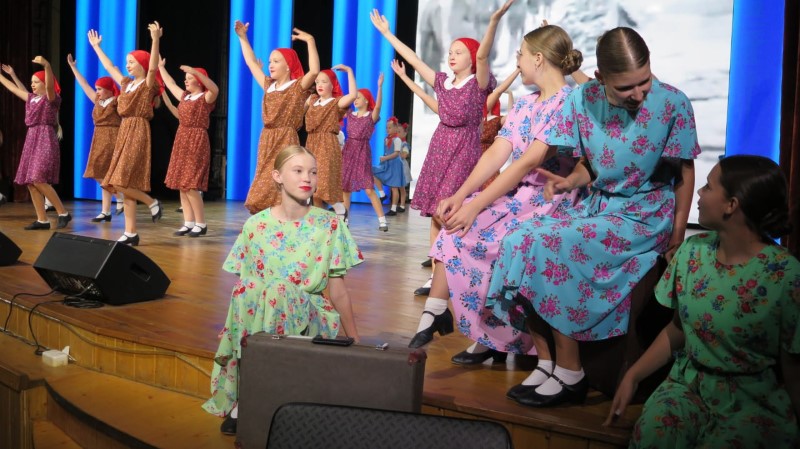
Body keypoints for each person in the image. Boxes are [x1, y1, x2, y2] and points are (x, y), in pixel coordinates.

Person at [485, 26, 700, 407]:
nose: (639, 94)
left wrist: (678, 233)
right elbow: (591, 165)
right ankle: (547, 362)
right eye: (626, 87)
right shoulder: (582, 99)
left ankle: (571, 373)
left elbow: (683, 172)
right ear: (600, 78)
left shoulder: (672, 103)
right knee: (518, 239)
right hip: (597, 207)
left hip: (643, 215)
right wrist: (571, 180)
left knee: (552, 243)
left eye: (644, 81)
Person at [406, 25, 584, 361]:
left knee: (497, 237)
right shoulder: (525, 104)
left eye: (520, 54)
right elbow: (497, 154)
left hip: (551, 201)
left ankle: (498, 339)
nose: (517, 61)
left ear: (538, 58)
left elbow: (528, 161)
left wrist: (476, 207)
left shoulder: (569, 102)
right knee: (455, 223)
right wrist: (461, 195)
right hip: (520, 197)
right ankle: (436, 310)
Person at [605, 155, 800, 448]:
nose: (698, 192)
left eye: (708, 187)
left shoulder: (785, 274)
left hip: (751, 399)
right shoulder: (692, 252)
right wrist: (633, 376)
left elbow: (793, 365)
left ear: (731, 204)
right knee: (654, 433)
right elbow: (678, 329)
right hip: (688, 385)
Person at [202, 144, 363, 435]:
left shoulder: (329, 224)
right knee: (251, 288)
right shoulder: (255, 225)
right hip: (263, 315)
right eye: (298, 171)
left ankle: (266, 397)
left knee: (278, 291)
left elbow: (338, 289)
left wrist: (354, 339)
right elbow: (246, 289)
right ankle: (247, 394)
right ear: (277, 176)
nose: (307, 178)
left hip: (311, 314)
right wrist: (233, 324)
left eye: (313, 172)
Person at [372, 1, 511, 296]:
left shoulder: (478, 83)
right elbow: (414, 58)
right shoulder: (443, 82)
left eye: (458, 51)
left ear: (471, 58)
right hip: (439, 148)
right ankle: (437, 277)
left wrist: (494, 21)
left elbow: (484, 55)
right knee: (435, 211)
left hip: (464, 150)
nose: (451, 55)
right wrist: (387, 34)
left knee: (446, 211)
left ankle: (462, 271)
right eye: (450, 52)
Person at [88, 23, 165, 246]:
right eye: (127, 62)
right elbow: (110, 66)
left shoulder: (147, 85)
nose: (127, 65)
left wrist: (155, 40)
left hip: (138, 129)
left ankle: (151, 202)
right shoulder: (126, 84)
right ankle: (130, 232)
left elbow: (153, 68)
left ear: (141, 64)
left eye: (131, 62)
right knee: (124, 182)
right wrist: (96, 47)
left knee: (120, 180)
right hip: (124, 130)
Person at [233, 20, 320, 214]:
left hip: (285, 138)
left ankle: (286, 219)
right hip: (267, 138)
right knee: (264, 181)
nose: (271, 65)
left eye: (276, 61)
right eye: (270, 61)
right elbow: (251, 63)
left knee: (280, 182)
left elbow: (314, 71)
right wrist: (243, 38)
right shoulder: (268, 85)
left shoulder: (297, 87)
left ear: (288, 66)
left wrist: (310, 41)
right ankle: (268, 221)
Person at [0, 57, 71, 230]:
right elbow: (13, 88)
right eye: (31, 82)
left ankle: (63, 213)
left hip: (45, 138)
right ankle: (42, 220)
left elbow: (49, 87)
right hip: (31, 139)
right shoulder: (32, 99)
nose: (32, 84)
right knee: (31, 182)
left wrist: (47, 65)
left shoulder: (51, 99)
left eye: (36, 82)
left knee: (39, 179)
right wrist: (6, 76)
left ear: (45, 83)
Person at [158, 57, 219, 237]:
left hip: (196, 139)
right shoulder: (185, 96)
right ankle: (188, 222)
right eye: (186, 78)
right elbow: (170, 83)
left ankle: (201, 223)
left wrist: (194, 71)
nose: (185, 80)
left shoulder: (205, 97)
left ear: (199, 81)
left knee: (191, 184)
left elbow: (215, 89)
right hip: (182, 139)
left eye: (189, 78)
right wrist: (161, 68)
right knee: (182, 184)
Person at [66, 54, 124, 222]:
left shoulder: (117, 101)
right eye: (96, 89)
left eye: (100, 89)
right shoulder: (97, 101)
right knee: (98, 172)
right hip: (98, 137)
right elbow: (84, 84)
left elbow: (125, 88)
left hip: (113, 136)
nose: (97, 92)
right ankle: (108, 208)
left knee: (105, 172)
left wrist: (117, 73)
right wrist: (73, 67)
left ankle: (117, 199)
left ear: (108, 89)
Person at [305, 65, 355, 219]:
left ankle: (340, 210)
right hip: (311, 142)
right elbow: (297, 105)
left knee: (323, 185)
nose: (319, 85)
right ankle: (317, 221)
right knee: (312, 187)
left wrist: (349, 71)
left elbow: (353, 95)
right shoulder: (312, 100)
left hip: (327, 144)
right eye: (317, 82)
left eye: (324, 82)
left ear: (333, 85)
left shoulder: (335, 102)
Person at [340, 80, 388, 230]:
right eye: (355, 98)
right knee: (345, 188)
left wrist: (379, 87)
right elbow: (340, 104)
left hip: (362, 151)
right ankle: (345, 220)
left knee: (368, 188)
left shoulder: (370, 116)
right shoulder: (350, 114)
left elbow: (378, 106)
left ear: (366, 100)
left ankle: (382, 221)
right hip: (348, 150)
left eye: (358, 97)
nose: (355, 100)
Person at [372, 117, 406, 217]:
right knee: (374, 173)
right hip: (387, 163)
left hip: (395, 164)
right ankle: (382, 194)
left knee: (394, 187)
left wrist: (385, 158)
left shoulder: (397, 140)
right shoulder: (386, 139)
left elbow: (396, 153)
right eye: (387, 127)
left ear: (395, 128)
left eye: (390, 127)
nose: (388, 129)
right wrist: (384, 158)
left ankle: (393, 208)